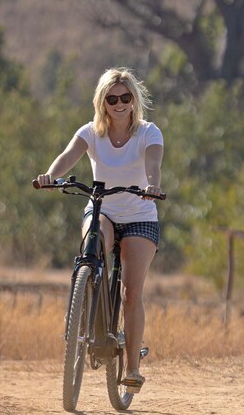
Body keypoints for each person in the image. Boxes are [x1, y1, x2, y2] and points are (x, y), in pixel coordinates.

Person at [37, 68, 163, 391]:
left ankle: (132, 368)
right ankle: (85, 301)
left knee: (131, 293)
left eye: (125, 97)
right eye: (112, 98)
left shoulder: (148, 133)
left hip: (139, 215)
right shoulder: (91, 132)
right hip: (102, 209)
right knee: (91, 252)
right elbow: (68, 156)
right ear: (102, 102)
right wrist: (51, 176)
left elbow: (153, 165)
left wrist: (152, 186)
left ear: (134, 100)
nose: (119, 104)